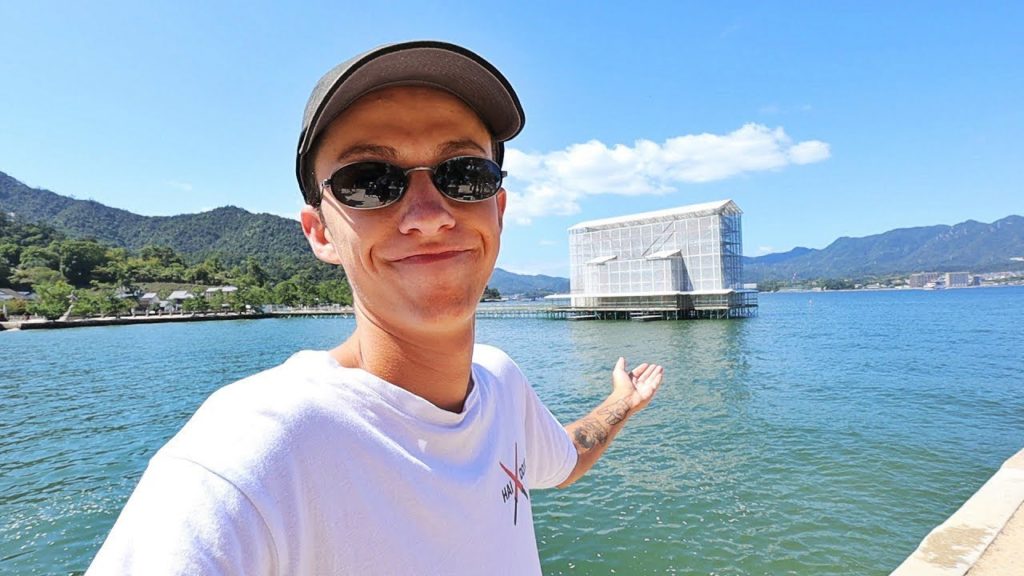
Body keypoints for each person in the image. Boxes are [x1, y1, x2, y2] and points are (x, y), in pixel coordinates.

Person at [87, 40, 663, 575]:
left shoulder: (501, 384)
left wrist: (621, 402)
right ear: (320, 233)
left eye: (464, 174)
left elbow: (564, 459)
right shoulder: (250, 454)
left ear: (499, 209)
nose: (429, 214)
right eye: (370, 181)